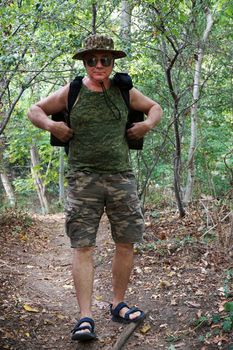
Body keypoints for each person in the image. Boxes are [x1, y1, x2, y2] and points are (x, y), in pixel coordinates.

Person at [28, 34, 163, 342]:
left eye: (105, 60)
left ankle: (118, 304)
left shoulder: (124, 90)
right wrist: (51, 125)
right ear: (85, 62)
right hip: (82, 179)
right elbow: (34, 110)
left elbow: (156, 108)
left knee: (126, 241)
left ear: (113, 62)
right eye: (92, 60)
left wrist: (146, 125)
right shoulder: (72, 91)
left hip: (120, 178)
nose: (99, 65)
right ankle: (85, 317)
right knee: (83, 245)